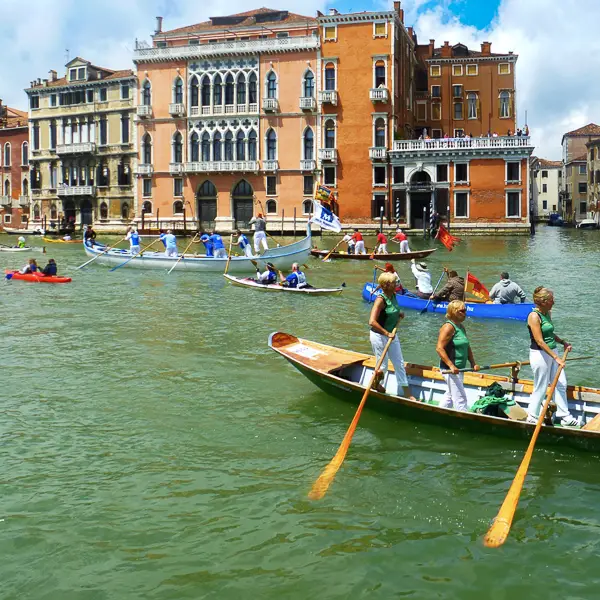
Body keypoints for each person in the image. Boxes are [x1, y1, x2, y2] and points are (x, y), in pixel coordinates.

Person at [526, 287, 578, 426]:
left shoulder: (547, 313)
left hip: (552, 352)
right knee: (541, 386)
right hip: (539, 354)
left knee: (561, 383)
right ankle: (532, 415)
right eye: (551, 299)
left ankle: (564, 416)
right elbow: (539, 340)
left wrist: (562, 342)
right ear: (543, 301)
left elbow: (549, 335)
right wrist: (556, 358)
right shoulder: (534, 316)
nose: (553, 302)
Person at [368, 272, 415, 400]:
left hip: (392, 335)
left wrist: (398, 313)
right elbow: (371, 321)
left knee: (399, 363)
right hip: (379, 335)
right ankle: (376, 383)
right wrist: (386, 333)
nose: (397, 284)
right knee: (383, 366)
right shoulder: (380, 300)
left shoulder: (393, 295)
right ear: (387, 285)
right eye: (394, 282)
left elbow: (392, 309)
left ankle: (407, 393)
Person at [436, 300, 480, 411]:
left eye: (465, 310)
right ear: (454, 312)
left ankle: (440, 412)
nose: (465, 313)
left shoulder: (461, 327)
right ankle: (463, 419)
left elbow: (467, 346)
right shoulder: (448, 327)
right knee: (461, 398)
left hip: (460, 368)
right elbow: (439, 348)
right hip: (450, 369)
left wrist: (473, 363)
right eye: (462, 311)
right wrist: (451, 365)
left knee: (450, 395)